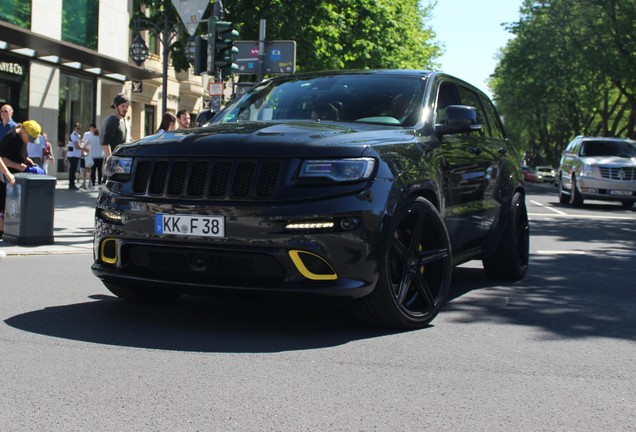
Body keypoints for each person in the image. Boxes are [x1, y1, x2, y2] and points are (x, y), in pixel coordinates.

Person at [0, 120, 41, 236]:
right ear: (24, 132)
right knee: (4, 204)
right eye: (29, 138)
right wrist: (17, 166)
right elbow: (2, 159)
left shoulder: (22, 136)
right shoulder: (10, 139)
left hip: (17, 175)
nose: (29, 141)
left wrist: (26, 159)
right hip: (6, 176)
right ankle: (2, 231)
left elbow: (21, 152)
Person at [100, 94, 130, 159]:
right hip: (114, 161)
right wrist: (111, 162)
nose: (125, 109)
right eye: (123, 106)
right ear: (116, 106)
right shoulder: (113, 120)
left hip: (122, 160)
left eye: (127, 106)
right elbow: (105, 144)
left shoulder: (124, 121)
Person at [67, 123, 85, 190]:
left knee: (73, 170)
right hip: (73, 155)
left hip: (75, 155)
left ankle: (72, 184)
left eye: (80, 128)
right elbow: (77, 146)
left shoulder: (77, 135)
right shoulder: (74, 135)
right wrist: (84, 148)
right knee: (72, 170)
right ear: (74, 128)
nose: (79, 130)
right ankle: (71, 184)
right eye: (77, 128)